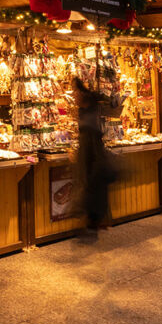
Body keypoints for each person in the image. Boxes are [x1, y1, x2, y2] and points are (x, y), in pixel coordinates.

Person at [72, 78, 114, 233]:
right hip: (88, 152)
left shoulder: (91, 110)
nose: (74, 95)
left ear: (83, 94)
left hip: (92, 153)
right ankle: (94, 218)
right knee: (90, 184)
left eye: (76, 92)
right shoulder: (85, 109)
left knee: (93, 183)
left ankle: (95, 218)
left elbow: (91, 134)